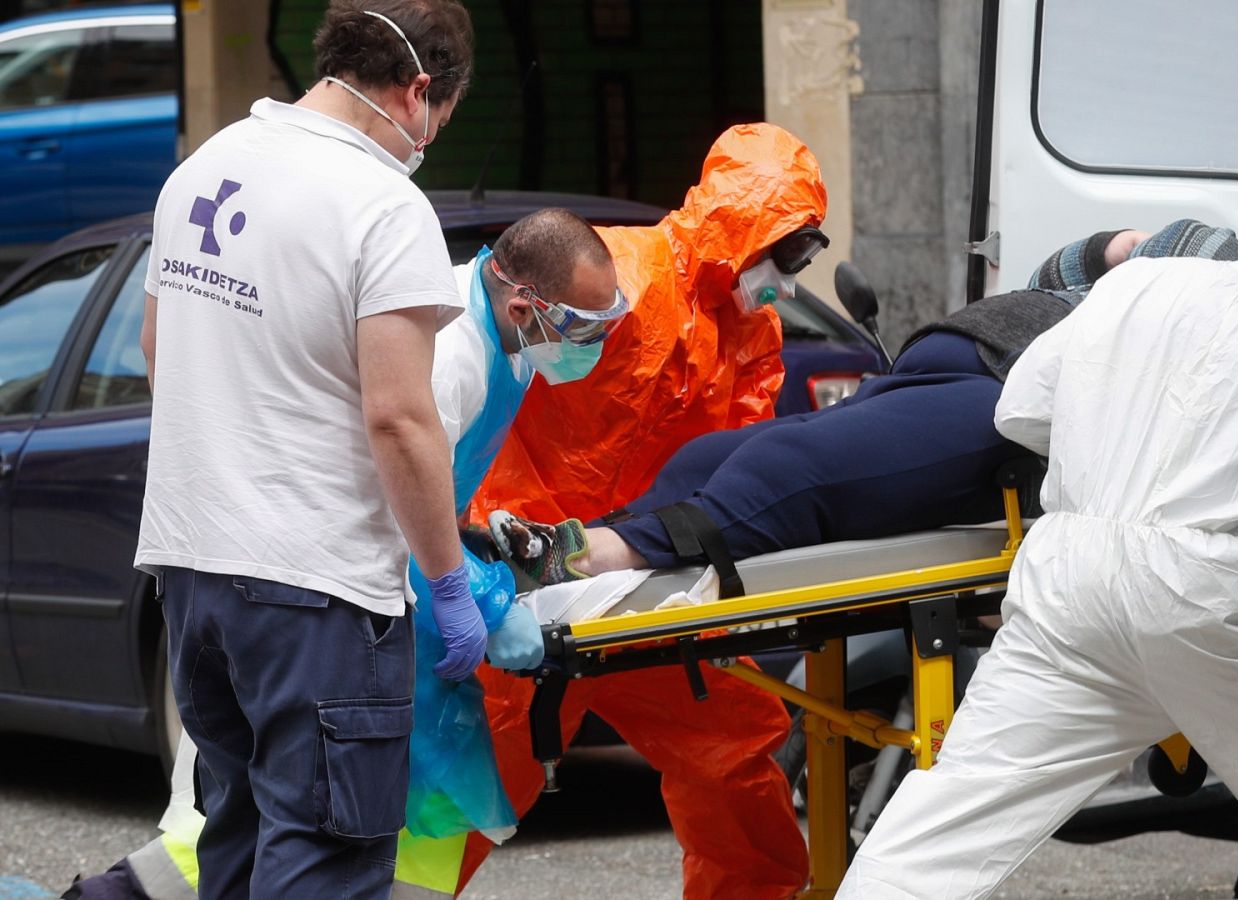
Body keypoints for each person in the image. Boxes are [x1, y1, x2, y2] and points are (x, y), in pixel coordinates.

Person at [834, 166, 1238, 900]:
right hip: (1208, 593)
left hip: (1069, 580)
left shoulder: (1138, 284)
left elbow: (1021, 411)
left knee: (957, 807)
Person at [67, 209, 625, 900]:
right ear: (524, 301)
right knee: (288, 834)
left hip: (388, 612)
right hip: (356, 605)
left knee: (376, 835)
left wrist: (478, 544)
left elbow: (432, 484)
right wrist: (480, 594)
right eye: (583, 330)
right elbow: (389, 490)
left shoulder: (505, 341)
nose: (592, 346)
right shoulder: (450, 354)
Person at [131, 1, 477, 897]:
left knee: (237, 838)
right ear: (420, 91)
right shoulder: (383, 205)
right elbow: (399, 417)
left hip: (193, 575)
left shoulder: (202, 169)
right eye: (438, 118)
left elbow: (157, 353)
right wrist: (447, 581)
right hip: (315, 593)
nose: (428, 137)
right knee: (323, 857)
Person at [458, 123, 827, 900]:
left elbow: (741, 466)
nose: (788, 284)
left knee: (732, 751)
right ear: (739, 231)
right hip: (531, 575)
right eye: (784, 255)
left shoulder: (751, 334)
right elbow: (483, 389)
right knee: (470, 777)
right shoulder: (614, 279)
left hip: (653, 581)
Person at [486, 220, 1238, 581]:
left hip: (1003, 403)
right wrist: (1129, 244)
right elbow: (1069, 263)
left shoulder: (1203, 314)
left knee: (795, 463)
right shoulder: (1091, 291)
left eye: (1155, 260)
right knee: (715, 453)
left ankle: (591, 557)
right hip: (947, 362)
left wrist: (1158, 259)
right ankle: (578, 543)